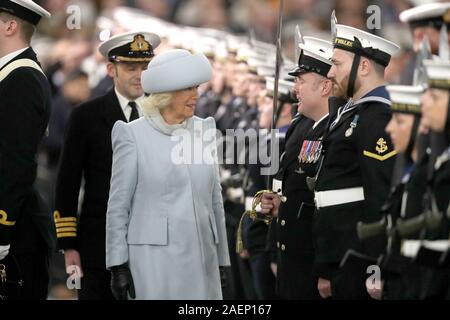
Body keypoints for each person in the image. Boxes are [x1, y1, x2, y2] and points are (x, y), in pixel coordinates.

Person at [106, 49, 231, 300]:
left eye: (196, 88)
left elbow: (215, 201)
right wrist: (117, 264)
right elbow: (119, 206)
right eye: (188, 89)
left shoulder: (205, 129)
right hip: (154, 261)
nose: (196, 95)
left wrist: (222, 259)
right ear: (165, 94)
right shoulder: (132, 135)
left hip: (202, 258)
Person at [53, 31, 160, 300]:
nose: (139, 75)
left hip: (154, 244)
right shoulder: (86, 116)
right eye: (131, 67)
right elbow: (67, 182)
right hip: (97, 246)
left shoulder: (164, 117)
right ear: (111, 69)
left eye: (145, 67)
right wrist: (69, 245)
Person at [312, 22, 399, 299]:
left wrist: (377, 265)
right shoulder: (350, 112)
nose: (329, 72)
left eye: (337, 64)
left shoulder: (377, 116)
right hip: (338, 250)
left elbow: (379, 194)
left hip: (358, 255)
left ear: (363, 67)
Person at [261, 37, 333, 299]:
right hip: (288, 252)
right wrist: (273, 247)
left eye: (301, 81)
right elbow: (283, 188)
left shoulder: (333, 130)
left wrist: (325, 267)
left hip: (311, 259)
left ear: (325, 86)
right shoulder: (300, 125)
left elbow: (330, 208)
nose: (294, 89)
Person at [0, 0, 54, 299]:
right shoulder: (12, 73)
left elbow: (16, 162)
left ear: (10, 26)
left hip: (17, 230)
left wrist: (2, 226)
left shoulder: (23, 78)